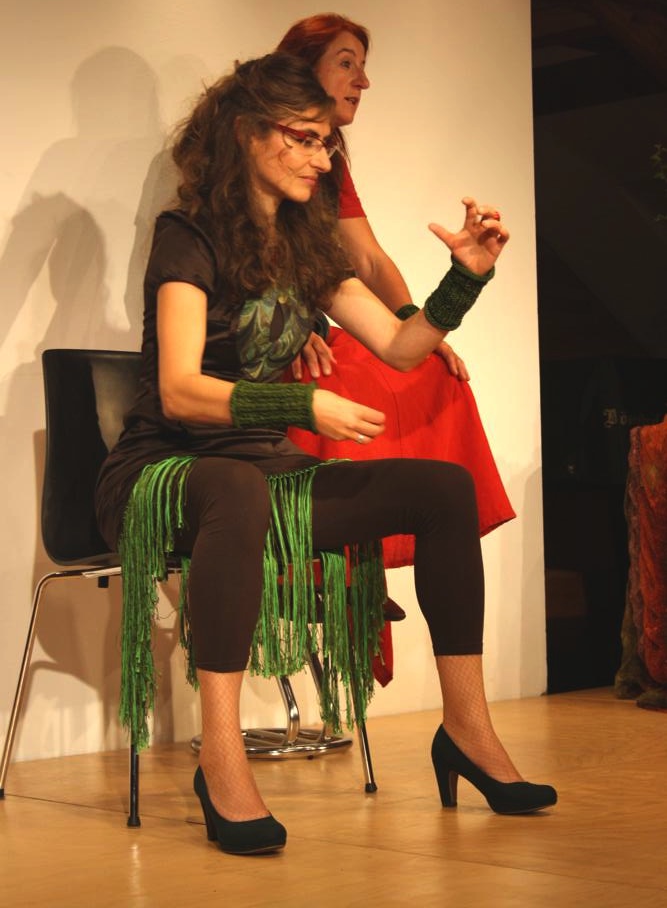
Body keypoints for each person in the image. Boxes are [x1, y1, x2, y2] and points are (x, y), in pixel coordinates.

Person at [95, 52, 556, 858]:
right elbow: (178, 391)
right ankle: (221, 758)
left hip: (263, 476)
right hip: (163, 471)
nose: (321, 156)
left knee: (443, 488)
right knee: (235, 486)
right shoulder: (188, 234)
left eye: (325, 142)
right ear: (248, 134)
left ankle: (466, 729)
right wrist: (298, 404)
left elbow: (400, 346)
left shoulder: (305, 244)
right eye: (302, 138)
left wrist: (464, 279)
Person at [276, 13, 515, 553]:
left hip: (311, 327)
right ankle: (333, 561)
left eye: (363, 67)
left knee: (435, 373)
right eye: (346, 64)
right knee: (332, 380)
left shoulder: (329, 164)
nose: (362, 82)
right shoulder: (229, 193)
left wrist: (417, 321)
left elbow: (366, 259)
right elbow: (241, 269)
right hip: (269, 347)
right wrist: (283, 326)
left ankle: (401, 537)